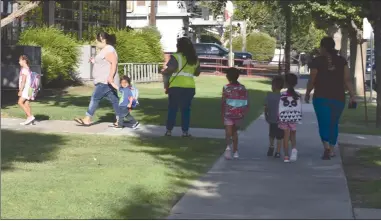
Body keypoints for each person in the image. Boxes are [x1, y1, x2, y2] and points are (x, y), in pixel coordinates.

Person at [305, 37, 356, 160]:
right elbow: (347, 80)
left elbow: (312, 80)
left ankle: (326, 147)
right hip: (338, 97)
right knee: (334, 124)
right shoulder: (342, 61)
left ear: (322, 47)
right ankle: (332, 149)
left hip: (321, 97)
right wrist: (352, 95)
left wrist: (307, 93)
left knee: (323, 123)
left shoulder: (316, 61)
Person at [74, 32, 120, 126]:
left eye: (97, 40)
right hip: (104, 80)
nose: (96, 42)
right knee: (114, 100)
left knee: (95, 98)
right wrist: (94, 61)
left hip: (105, 81)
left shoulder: (109, 49)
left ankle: (87, 118)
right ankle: (120, 119)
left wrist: (110, 77)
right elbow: (103, 63)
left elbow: (113, 63)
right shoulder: (104, 50)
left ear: (103, 39)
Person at [161, 37, 201, 137]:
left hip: (176, 86)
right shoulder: (194, 58)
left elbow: (171, 69)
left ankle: (169, 130)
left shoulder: (176, 56)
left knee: (173, 109)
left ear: (179, 46)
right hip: (190, 86)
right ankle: (185, 131)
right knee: (186, 110)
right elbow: (197, 73)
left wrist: (164, 72)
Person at [222, 68, 249, 159]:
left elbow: (223, 101)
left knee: (228, 133)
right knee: (234, 132)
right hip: (239, 114)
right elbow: (246, 101)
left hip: (228, 113)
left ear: (228, 77)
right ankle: (236, 151)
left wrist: (222, 113)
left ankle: (228, 149)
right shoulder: (242, 87)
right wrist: (244, 113)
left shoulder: (226, 87)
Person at [278, 74, 302, 163]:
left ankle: (286, 156)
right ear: (295, 83)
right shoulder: (298, 95)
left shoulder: (282, 95)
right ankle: (294, 149)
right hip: (294, 117)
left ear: (285, 83)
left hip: (284, 118)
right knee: (293, 135)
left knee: (285, 136)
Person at [264, 76, 284, 158]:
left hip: (271, 118)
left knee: (271, 134)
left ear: (273, 86)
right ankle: (278, 152)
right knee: (279, 137)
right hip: (281, 119)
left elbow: (266, 107)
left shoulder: (269, 95)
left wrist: (266, 115)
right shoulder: (283, 97)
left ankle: (271, 146)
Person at [18, 55, 35, 125]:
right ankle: (30, 121)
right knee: (26, 103)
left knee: (20, 102)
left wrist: (20, 90)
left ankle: (30, 116)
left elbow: (23, 81)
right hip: (29, 89)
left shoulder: (24, 69)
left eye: (20, 60)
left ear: (24, 61)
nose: (19, 62)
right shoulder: (28, 69)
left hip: (25, 89)